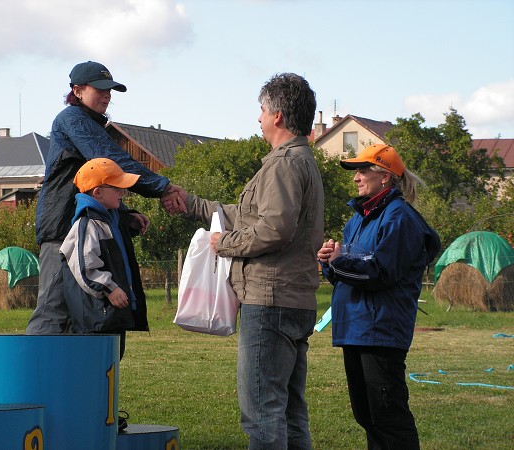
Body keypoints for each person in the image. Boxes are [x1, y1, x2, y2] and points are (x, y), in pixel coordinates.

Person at [165, 73, 324, 450]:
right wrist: (192, 205)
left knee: (263, 413)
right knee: (289, 412)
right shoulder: (303, 162)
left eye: (262, 110)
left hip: (270, 302)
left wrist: (224, 244)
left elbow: (273, 230)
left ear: (279, 116)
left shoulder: (284, 165)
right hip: (293, 301)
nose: (259, 119)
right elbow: (250, 214)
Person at [27, 60, 181, 335]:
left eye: (110, 89)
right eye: (99, 89)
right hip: (63, 232)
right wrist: (162, 187)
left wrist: (122, 214)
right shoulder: (71, 119)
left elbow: (99, 183)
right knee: (54, 314)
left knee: (91, 317)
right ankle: (37, 376)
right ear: (77, 91)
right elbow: (110, 160)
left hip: (87, 228)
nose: (107, 95)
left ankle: (87, 377)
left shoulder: (90, 124)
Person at [317, 144, 441, 450]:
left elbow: (379, 272)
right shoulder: (358, 219)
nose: (356, 178)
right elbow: (351, 271)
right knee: (368, 416)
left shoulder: (399, 218)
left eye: (362, 170)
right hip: (357, 329)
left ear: (385, 176)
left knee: (388, 418)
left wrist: (338, 263)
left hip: (380, 331)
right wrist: (329, 261)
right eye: (355, 171)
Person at [60, 158, 148, 348]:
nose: (122, 192)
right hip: (97, 320)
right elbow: (85, 266)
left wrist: (129, 221)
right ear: (97, 192)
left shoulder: (109, 219)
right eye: (117, 188)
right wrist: (109, 288)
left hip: (111, 316)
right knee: (96, 368)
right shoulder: (88, 224)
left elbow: (116, 229)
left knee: (111, 366)